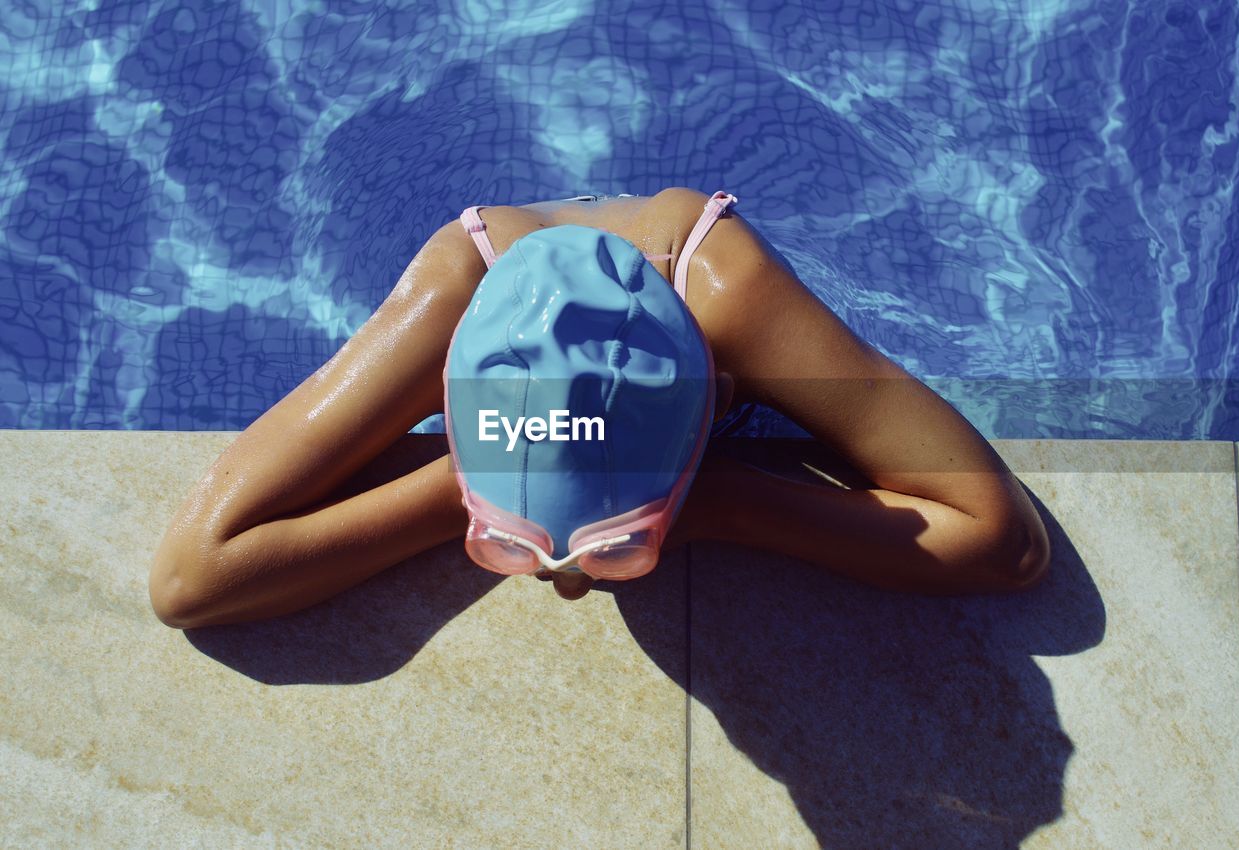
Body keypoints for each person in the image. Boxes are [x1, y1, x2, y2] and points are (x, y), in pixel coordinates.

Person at [149, 187, 1050, 627]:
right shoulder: (451, 305)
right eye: (507, 550)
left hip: (685, 266)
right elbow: (192, 577)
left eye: (613, 547)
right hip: (502, 265)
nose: (569, 585)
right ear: (455, 404)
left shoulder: (734, 303)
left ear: (711, 415)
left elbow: (1000, 540)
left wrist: (722, 504)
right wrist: (470, 492)